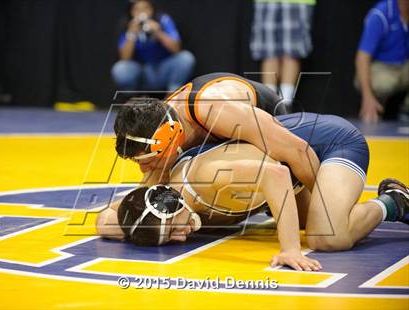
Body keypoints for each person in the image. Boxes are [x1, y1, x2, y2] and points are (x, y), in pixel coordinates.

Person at [98, 112, 409, 271]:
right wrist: (140, 230)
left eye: (173, 228)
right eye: (170, 238)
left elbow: (274, 173)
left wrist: (289, 249)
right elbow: (105, 219)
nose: (181, 236)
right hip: (289, 168)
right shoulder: (160, 194)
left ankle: (394, 202)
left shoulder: (203, 178)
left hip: (329, 144)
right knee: (304, 218)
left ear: (172, 203)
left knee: (325, 237)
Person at [113, 72, 318, 197]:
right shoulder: (157, 124)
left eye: (147, 160)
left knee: (318, 225)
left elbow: (298, 151)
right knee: (169, 193)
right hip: (235, 139)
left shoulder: (214, 108)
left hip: (281, 129)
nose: (142, 169)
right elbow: (140, 199)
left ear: (169, 137)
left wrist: (324, 208)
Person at [111, 0, 195, 92]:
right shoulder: (128, 24)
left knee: (186, 57)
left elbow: (177, 49)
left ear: (153, 9)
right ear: (131, 12)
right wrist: (132, 34)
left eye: (146, 8)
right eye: (137, 9)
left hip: (163, 69)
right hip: (143, 73)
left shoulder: (163, 20)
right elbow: (125, 58)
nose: (141, 12)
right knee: (120, 69)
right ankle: (132, 98)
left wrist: (158, 32)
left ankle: (172, 95)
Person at [250, 0, 316, 108]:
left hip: (296, 2)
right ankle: (269, 104)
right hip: (266, 2)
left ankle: (285, 105)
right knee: (268, 51)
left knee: (292, 51)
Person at [355, 0, 409, 123]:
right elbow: (362, 57)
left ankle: (406, 110)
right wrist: (367, 97)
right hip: (383, 68)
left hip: (404, 66)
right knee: (382, 82)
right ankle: (374, 108)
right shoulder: (380, 14)